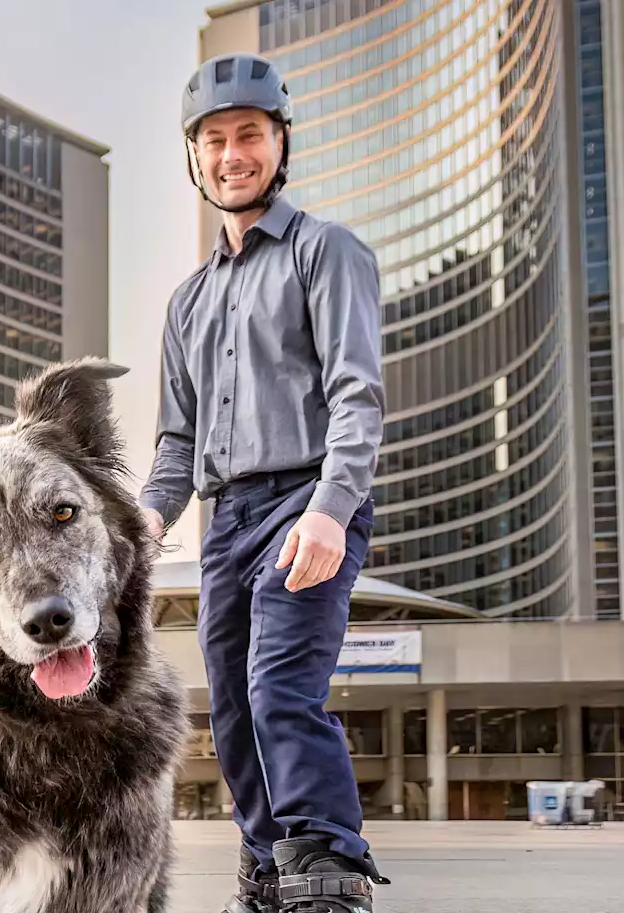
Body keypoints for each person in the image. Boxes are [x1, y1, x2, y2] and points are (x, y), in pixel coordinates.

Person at [139, 52, 388, 913]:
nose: (232, 152)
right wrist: (140, 527)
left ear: (281, 143)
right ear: (195, 157)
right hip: (225, 519)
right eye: (214, 138)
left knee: (283, 690)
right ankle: (267, 865)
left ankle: (326, 870)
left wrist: (329, 510)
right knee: (236, 712)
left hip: (306, 502)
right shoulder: (186, 302)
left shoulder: (328, 252)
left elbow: (358, 394)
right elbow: (177, 440)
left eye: (250, 133)